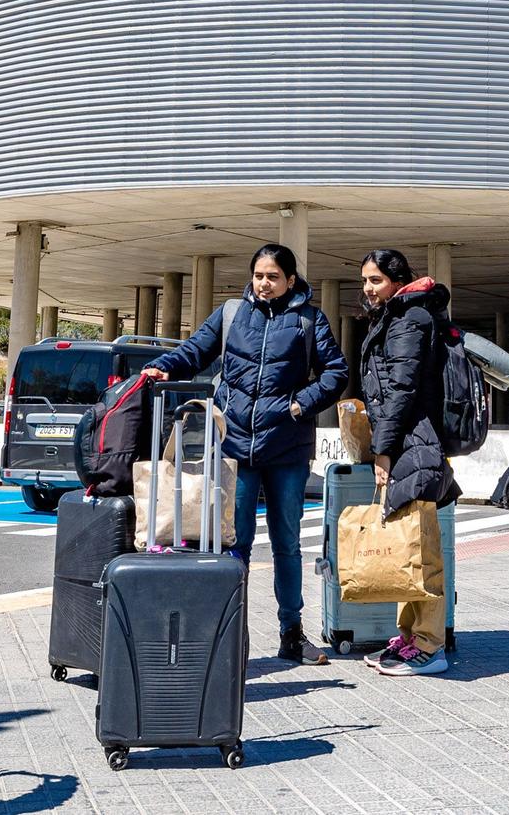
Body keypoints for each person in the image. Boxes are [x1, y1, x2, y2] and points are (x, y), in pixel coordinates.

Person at [144, 243, 348, 665]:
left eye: (273, 276)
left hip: (287, 448)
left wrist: (298, 405)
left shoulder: (309, 320)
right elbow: (195, 350)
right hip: (234, 445)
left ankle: (292, 634)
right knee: (233, 543)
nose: (264, 283)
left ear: (291, 280)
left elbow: (336, 373)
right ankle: (228, 635)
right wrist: (165, 366)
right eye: (259, 275)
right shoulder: (232, 314)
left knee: (287, 544)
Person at [356, 248, 459, 677]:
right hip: (406, 442)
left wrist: (382, 448)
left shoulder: (409, 319)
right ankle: (410, 635)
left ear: (398, 280)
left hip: (415, 444)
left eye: (376, 280)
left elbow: (401, 389)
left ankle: (430, 645)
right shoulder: (397, 316)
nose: (368, 288)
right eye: (364, 280)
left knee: (424, 552)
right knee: (407, 548)